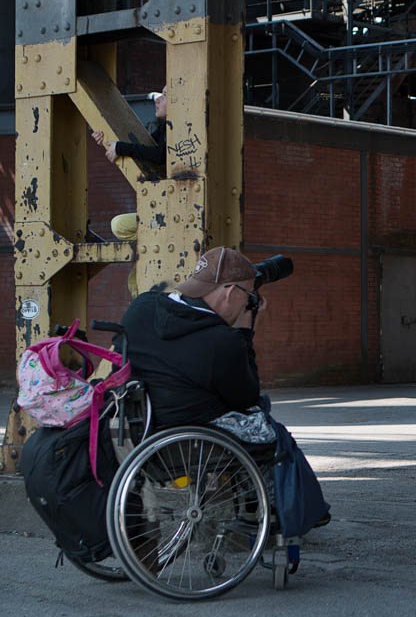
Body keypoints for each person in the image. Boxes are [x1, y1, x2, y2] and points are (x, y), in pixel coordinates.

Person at [116, 246, 330, 530]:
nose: (248, 303)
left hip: (145, 426)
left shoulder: (140, 308)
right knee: (268, 426)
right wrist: (244, 328)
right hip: (194, 437)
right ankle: (299, 509)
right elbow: (246, 397)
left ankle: (263, 503)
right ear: (230, 293)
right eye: (248, 296)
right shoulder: (221, 341)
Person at [93, 87, 169, 296]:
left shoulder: (180, 129)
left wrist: (122, 148)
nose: (158, 99)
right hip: (165, 216)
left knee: (119, 226)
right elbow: (143, 148)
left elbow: (159, 154)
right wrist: (107, 141)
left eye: (166, 94)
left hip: (172, 214)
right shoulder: (163, 130)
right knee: (135, 282)